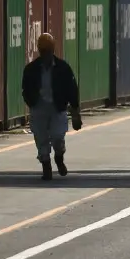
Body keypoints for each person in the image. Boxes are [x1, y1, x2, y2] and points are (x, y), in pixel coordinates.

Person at [22, 33, 82, 181]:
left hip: (57, 108)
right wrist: (32, 103)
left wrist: (75, 112)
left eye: (48, 51)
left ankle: (59, 158)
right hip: (39, 107)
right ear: (39, 50)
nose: (45, 54)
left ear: (53, 50)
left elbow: (72, 89)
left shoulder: (63, 68)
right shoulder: (31, 69)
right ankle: (46, 166)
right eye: (43, 51)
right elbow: (25, 89)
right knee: (40, 138)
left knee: (57, 137)